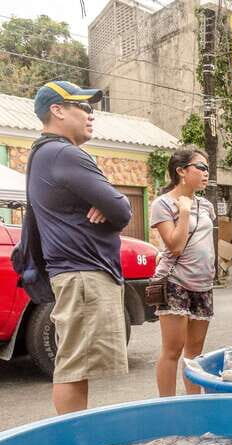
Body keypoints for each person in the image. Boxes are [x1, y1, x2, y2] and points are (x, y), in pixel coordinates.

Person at [25, 81, 131, 414]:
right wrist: (115, 202)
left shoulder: (46, 154)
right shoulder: (63, 153)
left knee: (76, 364)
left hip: (74, 273)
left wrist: (112, 202)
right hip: (83, 274)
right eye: (82, 107)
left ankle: (75, 438)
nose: (90, 115)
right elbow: (123, 211)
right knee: (73, 366)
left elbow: (115, 207)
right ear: (57, 110)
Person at [150, 147, 216, 396]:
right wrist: (185, 212)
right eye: (201, 167)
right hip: (175, 282)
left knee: (195, 351)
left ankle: (193, 403)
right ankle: (167, 406)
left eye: (207, 168)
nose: (206, 173)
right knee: (173, 349)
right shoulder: (163, 204)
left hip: (204, 284)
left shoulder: (207, 205)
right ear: (181, 171)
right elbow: (175, 246)